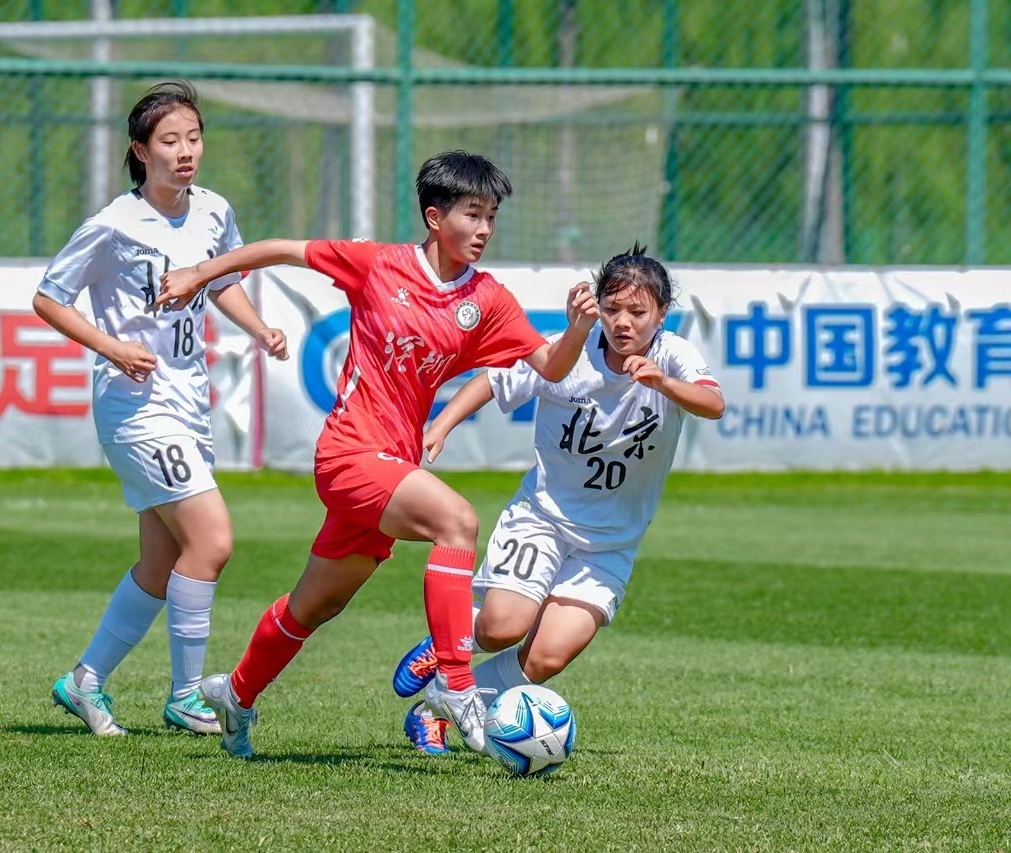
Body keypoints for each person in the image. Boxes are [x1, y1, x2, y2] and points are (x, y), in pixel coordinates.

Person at [158, 150, 598, 758]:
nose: (485, 229)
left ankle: (235, 695)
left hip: (393, 468)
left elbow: (549, 366)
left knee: (315, 604)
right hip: (348, 454)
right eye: (473, 214)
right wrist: (198, 274)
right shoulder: (379, 265)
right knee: (457, 521)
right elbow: (281, 249)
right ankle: (457, 686)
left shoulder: (487, 299)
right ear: (435, 216)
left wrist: (577, 329)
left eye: (492, 217)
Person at [389, 244, 725, 753]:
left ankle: (434, 707)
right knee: (502, 627)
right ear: (597, 307)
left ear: (661, 314)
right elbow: (493, 380)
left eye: (638, 312)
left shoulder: (672, 355)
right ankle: (444, 643)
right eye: (612, 308)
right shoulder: (569, 352)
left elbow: (714, 403)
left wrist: (663, 382)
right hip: (543, 519)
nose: (623, 322)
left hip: (610, 544)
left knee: (546, 657)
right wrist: (441, 425)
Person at [32, 81, 288, 737]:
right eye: (169, 141)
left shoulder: (214, 212)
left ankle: (83, 681)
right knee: (212, 541)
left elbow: (222, 282)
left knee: (160, 563)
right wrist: (112, 347)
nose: (185, 151)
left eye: (194, 137)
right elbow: (49, 299)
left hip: (187, 401)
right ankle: (187, 694)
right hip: (135, 407)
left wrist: (259, 329)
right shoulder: (114, 224)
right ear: (140, 151)